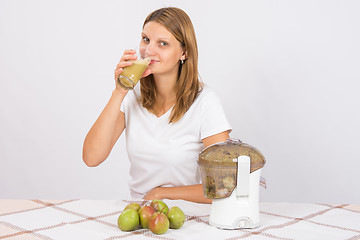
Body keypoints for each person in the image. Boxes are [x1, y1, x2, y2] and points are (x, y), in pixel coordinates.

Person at [82, 7, 231, 204]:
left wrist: (164, 194)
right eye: (146, 39)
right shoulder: (131, 96)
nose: (149, 50)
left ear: (184, 52)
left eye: (163, 43)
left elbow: (223, 185)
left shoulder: (205, 102)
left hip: (184, 218)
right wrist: (119, 92)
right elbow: (92, 158)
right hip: (138, 214)